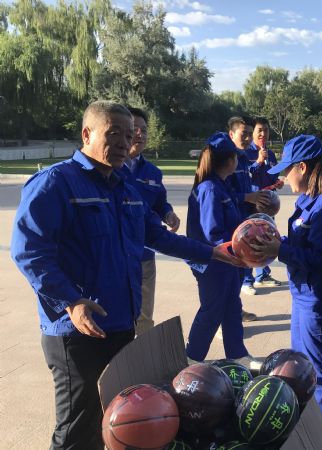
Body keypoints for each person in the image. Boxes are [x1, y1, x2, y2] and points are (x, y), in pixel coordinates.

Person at [10, 101, 239, 450]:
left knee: (117, 422)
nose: (123, 143)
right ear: (87, 134)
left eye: (128, 135)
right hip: (77, 333)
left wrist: (212, 252)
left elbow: (158, 236)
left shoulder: (125, 188)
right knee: (77, 430)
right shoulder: (56, 183)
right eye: (113, 133)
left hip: (120, 327)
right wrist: (70, 301)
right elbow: (29, 251)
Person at [251, 135, 322, 440]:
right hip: (304, 294)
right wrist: (278, 242)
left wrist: (279, 250)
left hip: (317, 298)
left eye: (287, 169)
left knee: (317, 364)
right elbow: (303, 246)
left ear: (302, 167)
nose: (283, 176)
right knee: (307, 358)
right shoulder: (308, 202)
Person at [185, 132, 261, 370]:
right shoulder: (209, 189)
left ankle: (237, 353)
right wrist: (241, 250)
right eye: (236, 157)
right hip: (214, 261)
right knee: (212, 309)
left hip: (228, 260)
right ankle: (192, 358)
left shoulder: (222, 186)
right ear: (230, 161)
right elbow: (212, 234)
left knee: (232, 306)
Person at [119, 107, 180, 335]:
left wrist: (168, 214)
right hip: (116, 257)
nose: (140, 134)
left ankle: (143, 353)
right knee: (117, 316)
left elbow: (160, 201)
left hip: (145, 255)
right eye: (134, 129)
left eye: (144, 130)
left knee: (144, 317)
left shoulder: (153, 172)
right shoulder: (110, 169)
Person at [226, 116, 270, 317]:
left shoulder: (243, 159)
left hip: (243, 221)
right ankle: (223, 319)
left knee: (239, 270)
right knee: (228, 274)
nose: (247, 138)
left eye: (248, 134)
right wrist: (248, 197)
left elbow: (245, 186)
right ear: (231, 134)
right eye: (243, 134)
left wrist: (256, 197)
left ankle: (235, 309)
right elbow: (221, 195)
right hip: (229, 226)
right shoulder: (226, 160)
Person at [245, 117, 284, 288]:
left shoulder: (271, 154)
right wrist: (258, 162)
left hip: (268, 206)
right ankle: (247, 280)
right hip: (251, 205)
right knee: (248, 240)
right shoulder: (245, 153)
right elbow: (245, 176)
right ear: (252, 132)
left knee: (266, 237)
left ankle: (263, 276)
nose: (263, 134)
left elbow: (272, 177)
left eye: (266, 130)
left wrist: (277, 183)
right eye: (259, 130)